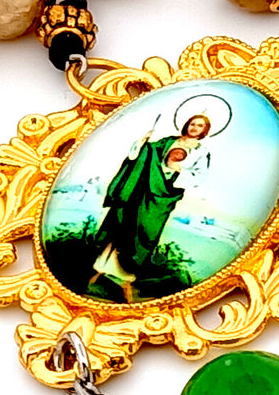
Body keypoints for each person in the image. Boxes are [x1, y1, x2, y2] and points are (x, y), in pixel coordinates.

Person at [87, 113, 211, 302]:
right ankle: (99, 270)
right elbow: (144, 156)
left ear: (205, 130)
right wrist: (143, 142)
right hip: (141, 190)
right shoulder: (168, 141)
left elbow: (198, 176)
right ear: (187, 124)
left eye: (199, 125)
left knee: (144, 233)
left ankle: (125, 280)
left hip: (161, 197)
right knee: (122, 225)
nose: (194, 127)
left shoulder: (201, 152)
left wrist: (177, 169)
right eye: (192, 123)